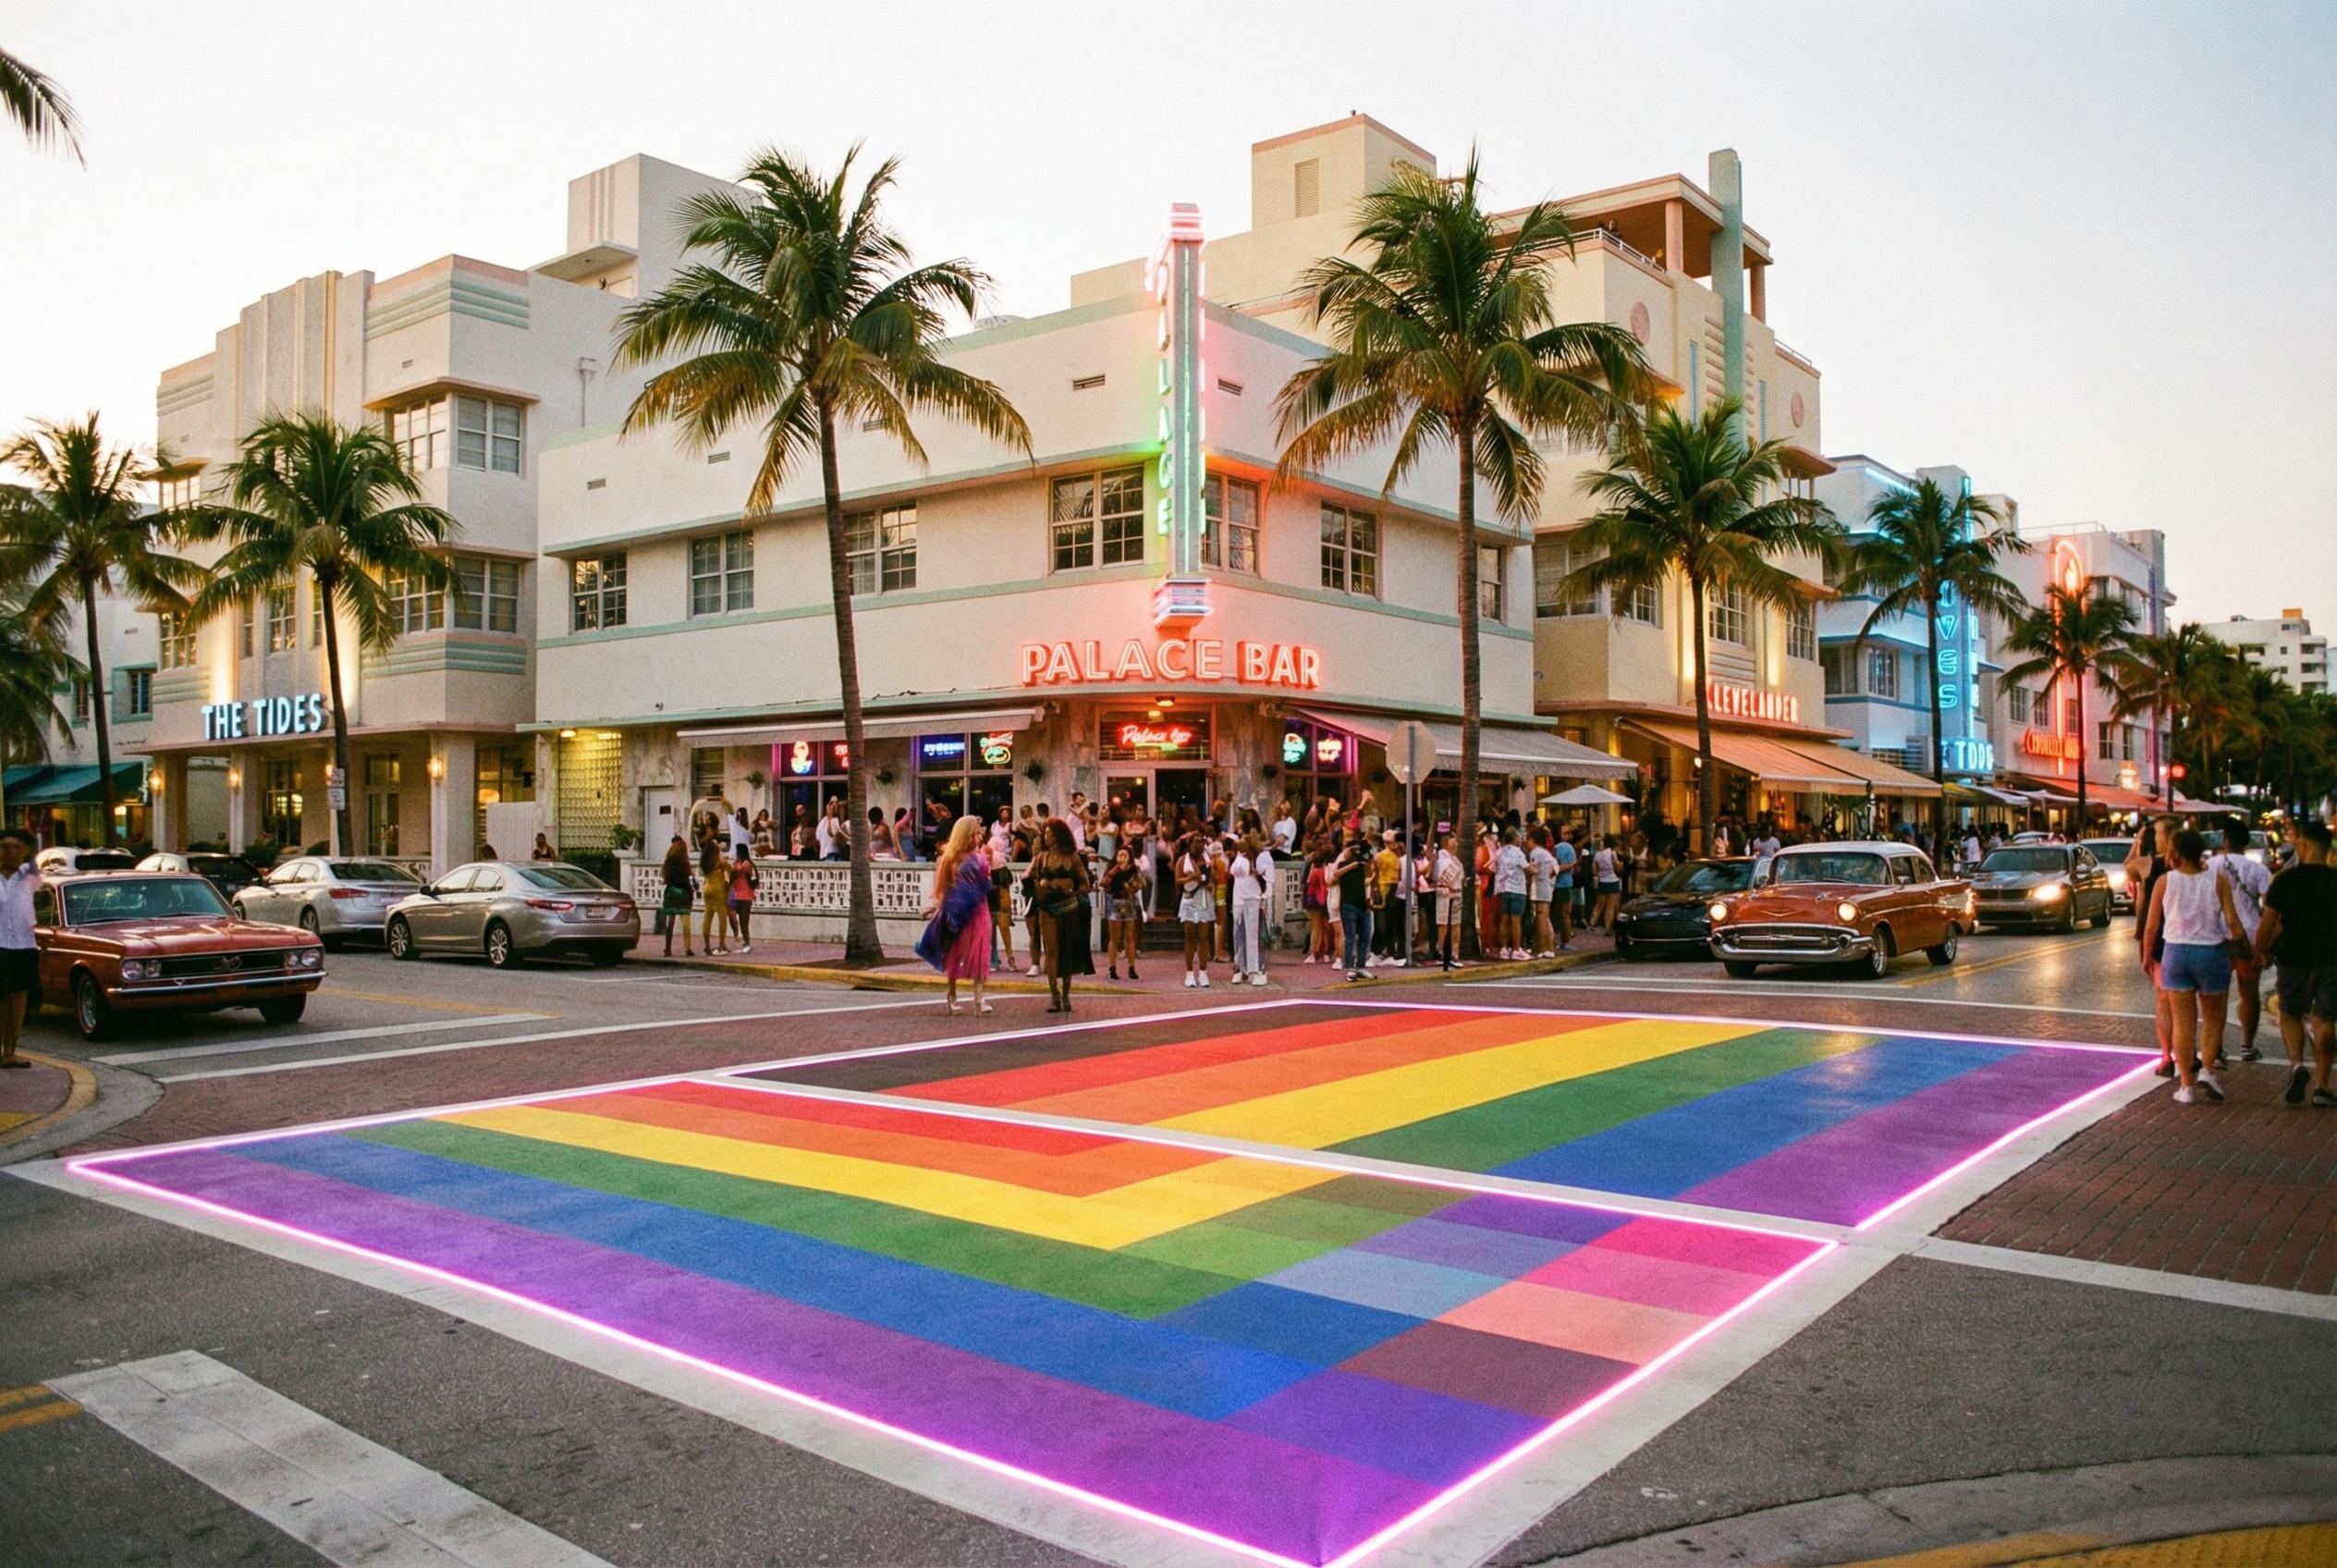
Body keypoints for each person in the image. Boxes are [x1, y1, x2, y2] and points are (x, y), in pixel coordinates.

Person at [2143, 827, 2249, 1105]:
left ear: (2175, 852)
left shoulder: (2165, 881)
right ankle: (2208, 1070)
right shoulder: (2217, 880)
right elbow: (2232, 921)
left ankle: (2186, 1086)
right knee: (2213, 1016)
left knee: (2182, 1022)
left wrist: (2146, 956)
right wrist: (2245, 950)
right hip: (2211, 952)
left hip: (2175, 953)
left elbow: (2151, 925)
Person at [2255, 818, 2337, 1108]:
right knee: (2326, 1020)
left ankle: (2298, 1065)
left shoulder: (2285, 881)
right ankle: (2322, 1086)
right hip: (2331, 959)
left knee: (2291, 1013)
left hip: (2293, 959)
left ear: (2303, 846)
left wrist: (2261, 951)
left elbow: (2267, 924)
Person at [915, 816, 995, 1017]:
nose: (978, 837)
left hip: (979, 909)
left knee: (980, 952)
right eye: (975, 833)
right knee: (953, 953)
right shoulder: (949, 858)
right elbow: (944, 888)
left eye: (979, 833)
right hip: (956, 911)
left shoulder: (980, 857)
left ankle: (979, 999)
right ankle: (952, 996)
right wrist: (936, 909)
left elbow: (986, 881)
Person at [2212, 815, 2271, 1065]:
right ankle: (2247, 1046)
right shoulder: (2259, 870)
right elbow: (2269, 906)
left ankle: (2216, 1047)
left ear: (2225, 840)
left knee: (2218, 995)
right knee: (2249, 994)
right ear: (2245, 843)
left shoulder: (2211, 865)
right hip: (2249, 936)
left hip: (2218, 934)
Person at [2129, 816, 2177, 1076]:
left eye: (2157, 833)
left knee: (2164, 1000)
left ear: (2166, 836)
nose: (2154, 837)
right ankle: (2190, 1054)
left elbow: (2129, 868)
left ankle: (2167, 1056)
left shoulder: (2150, 865)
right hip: (2189, 940)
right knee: (2184, 1003)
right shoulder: (2197, 868)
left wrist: (2138, 841)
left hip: (2161, 938)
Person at [1029, 818, 1093, 1012]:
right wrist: (1042, 887)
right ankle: (1054, 995)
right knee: (1051, 950)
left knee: (1067, 951)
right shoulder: (1042, 857)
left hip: (1069, 908)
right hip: (1047, 908)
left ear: (1058, 836)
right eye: (1045, 834)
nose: (1046, 837)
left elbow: (1086, 884)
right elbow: (1031, 878)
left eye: (1049, 834)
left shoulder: (1073, 857)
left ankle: (1066, 994)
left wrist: (1072, 890)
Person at [0, 829, 40, 1071]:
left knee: (18, 1000)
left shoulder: (29, 876)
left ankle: (10, 1053)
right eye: (5, 847)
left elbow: (38, 851)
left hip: (23, 946)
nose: (10, 852)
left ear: (25, 851)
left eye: (17, 847)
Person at [1174, 833, 1216, 987]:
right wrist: (1190, 878)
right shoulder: (1182, 860)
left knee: (1204, 937)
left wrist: (1210, 882)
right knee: (1190, 936)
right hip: (1189, 899)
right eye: (1195, 841)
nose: (1198, 844)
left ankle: (1203, 973)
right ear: (1189, 844)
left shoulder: (1207, 859)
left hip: (1203, 898)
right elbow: (1177, 880)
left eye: (1200, 842)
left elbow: (1214, 877)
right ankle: (1189, 973)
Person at [1333, 831, 1376, 981]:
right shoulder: (1343, 864)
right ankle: (1350, 968)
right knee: (1350, 937)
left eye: (1357, 849)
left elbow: (1371, 869)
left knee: (1365, 936)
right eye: (1353, 849)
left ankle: (1361, 967)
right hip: (1348, 905)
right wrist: (1353, 864)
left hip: (1363, 905)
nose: (1356, 852)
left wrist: (1365, 854)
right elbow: (1335, 874)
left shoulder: (1363, 864)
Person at [1229, 833, 1268, 986]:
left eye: (1243, 840)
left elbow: (1265, 880)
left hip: (1253, 898)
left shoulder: (1258, 859)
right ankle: (1240, 968)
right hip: (1238, 899)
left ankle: (1259, 969)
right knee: (1238, 935)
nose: (1239, 842)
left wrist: (1263, 899)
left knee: (1254, 935)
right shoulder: (1238, 858)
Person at [1103, 844, 1144, 981]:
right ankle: (1112, 968)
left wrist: (1132, 886)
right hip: (1115, 902)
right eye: (1120, 855)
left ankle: (1131, 968)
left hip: (1129, 902)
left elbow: (1141, 884)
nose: (1122, 858)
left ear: (1129, 858)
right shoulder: (1112, 868)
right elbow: (1104, 884)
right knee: (1114, 937)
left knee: (1130, 937)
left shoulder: (1134, 869)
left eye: (1125, 855)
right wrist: (1115, 870)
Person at [1432, 831, 1464, 971]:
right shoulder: (1440, 858)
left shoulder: (1455, 860)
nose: (1456, 844)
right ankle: (1442, 953)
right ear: (1446, 843)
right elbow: (1437, 877)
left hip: (1457, 893)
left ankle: (1454, 954)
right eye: (1453, 841)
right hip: (1444, 894)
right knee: (1443, 924)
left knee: (1456, 924)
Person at [658, 835, 695, 957]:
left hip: (671, 892)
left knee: (671, 921)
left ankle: (668, 948)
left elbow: (666, 877)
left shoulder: (668, 861)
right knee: (686, 922)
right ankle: (687, 948)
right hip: (683, 892)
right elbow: (689, 878)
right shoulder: (684, 861)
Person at [697, 828, 730, 955]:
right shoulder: (719, 861)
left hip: (707, 888)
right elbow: (731, 870)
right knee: (722, 917)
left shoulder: (705, 862)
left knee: (707, 916)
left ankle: (707, 945)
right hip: (718, 889)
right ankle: (721, 944)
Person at [1549, 828, 1578, 951]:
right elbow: (1568, 866)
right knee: (1566, 914)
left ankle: (1552, 940)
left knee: (1553, 913)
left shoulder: (1554, 849)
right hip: (1565, 884)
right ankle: (1565, 941)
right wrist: (1573, 865)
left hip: (1554, 884)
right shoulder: (1568, 848)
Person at [727, 845, 757, 954]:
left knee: (744, 921)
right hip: (736, 894)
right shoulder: (737, 863)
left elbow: (738, 871)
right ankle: (738, 936)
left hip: (745, 895)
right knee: (732, 915)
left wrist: (734, 867)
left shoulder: (747, 864)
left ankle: (746, 941)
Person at [1591, 834, 1622, 934]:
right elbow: (1617, 867)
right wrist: (1620, 865)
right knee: (1610, 907)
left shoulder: (1597, 855)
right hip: (1613, 881)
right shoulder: (1612, 853)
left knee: (1599, 904)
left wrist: (1601, 874)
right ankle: (1608, 929)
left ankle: (1592, 923)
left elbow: (1594, 870)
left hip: (1602, 882)